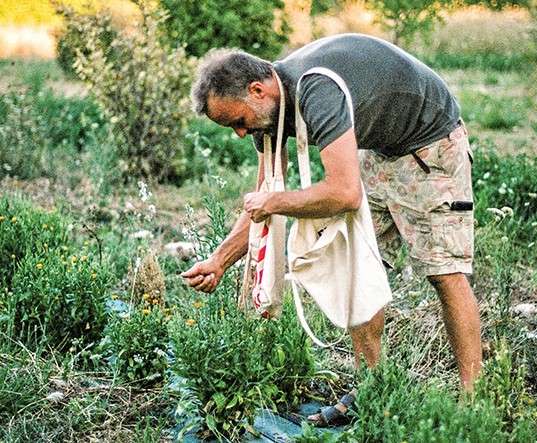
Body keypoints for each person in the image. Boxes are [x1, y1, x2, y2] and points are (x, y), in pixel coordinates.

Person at [182, 33, 482, 427]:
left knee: (445, 272)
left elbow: (341, 192)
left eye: (238, 122)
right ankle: (370, 389)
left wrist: (275, 203)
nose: (240, 134)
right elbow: (264, 196)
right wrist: (219, 261)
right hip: (379, 151)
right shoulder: (268, 111)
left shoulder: (316, 90)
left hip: (429, 145)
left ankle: (475, 405)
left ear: (258, 90)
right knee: (358, 263)